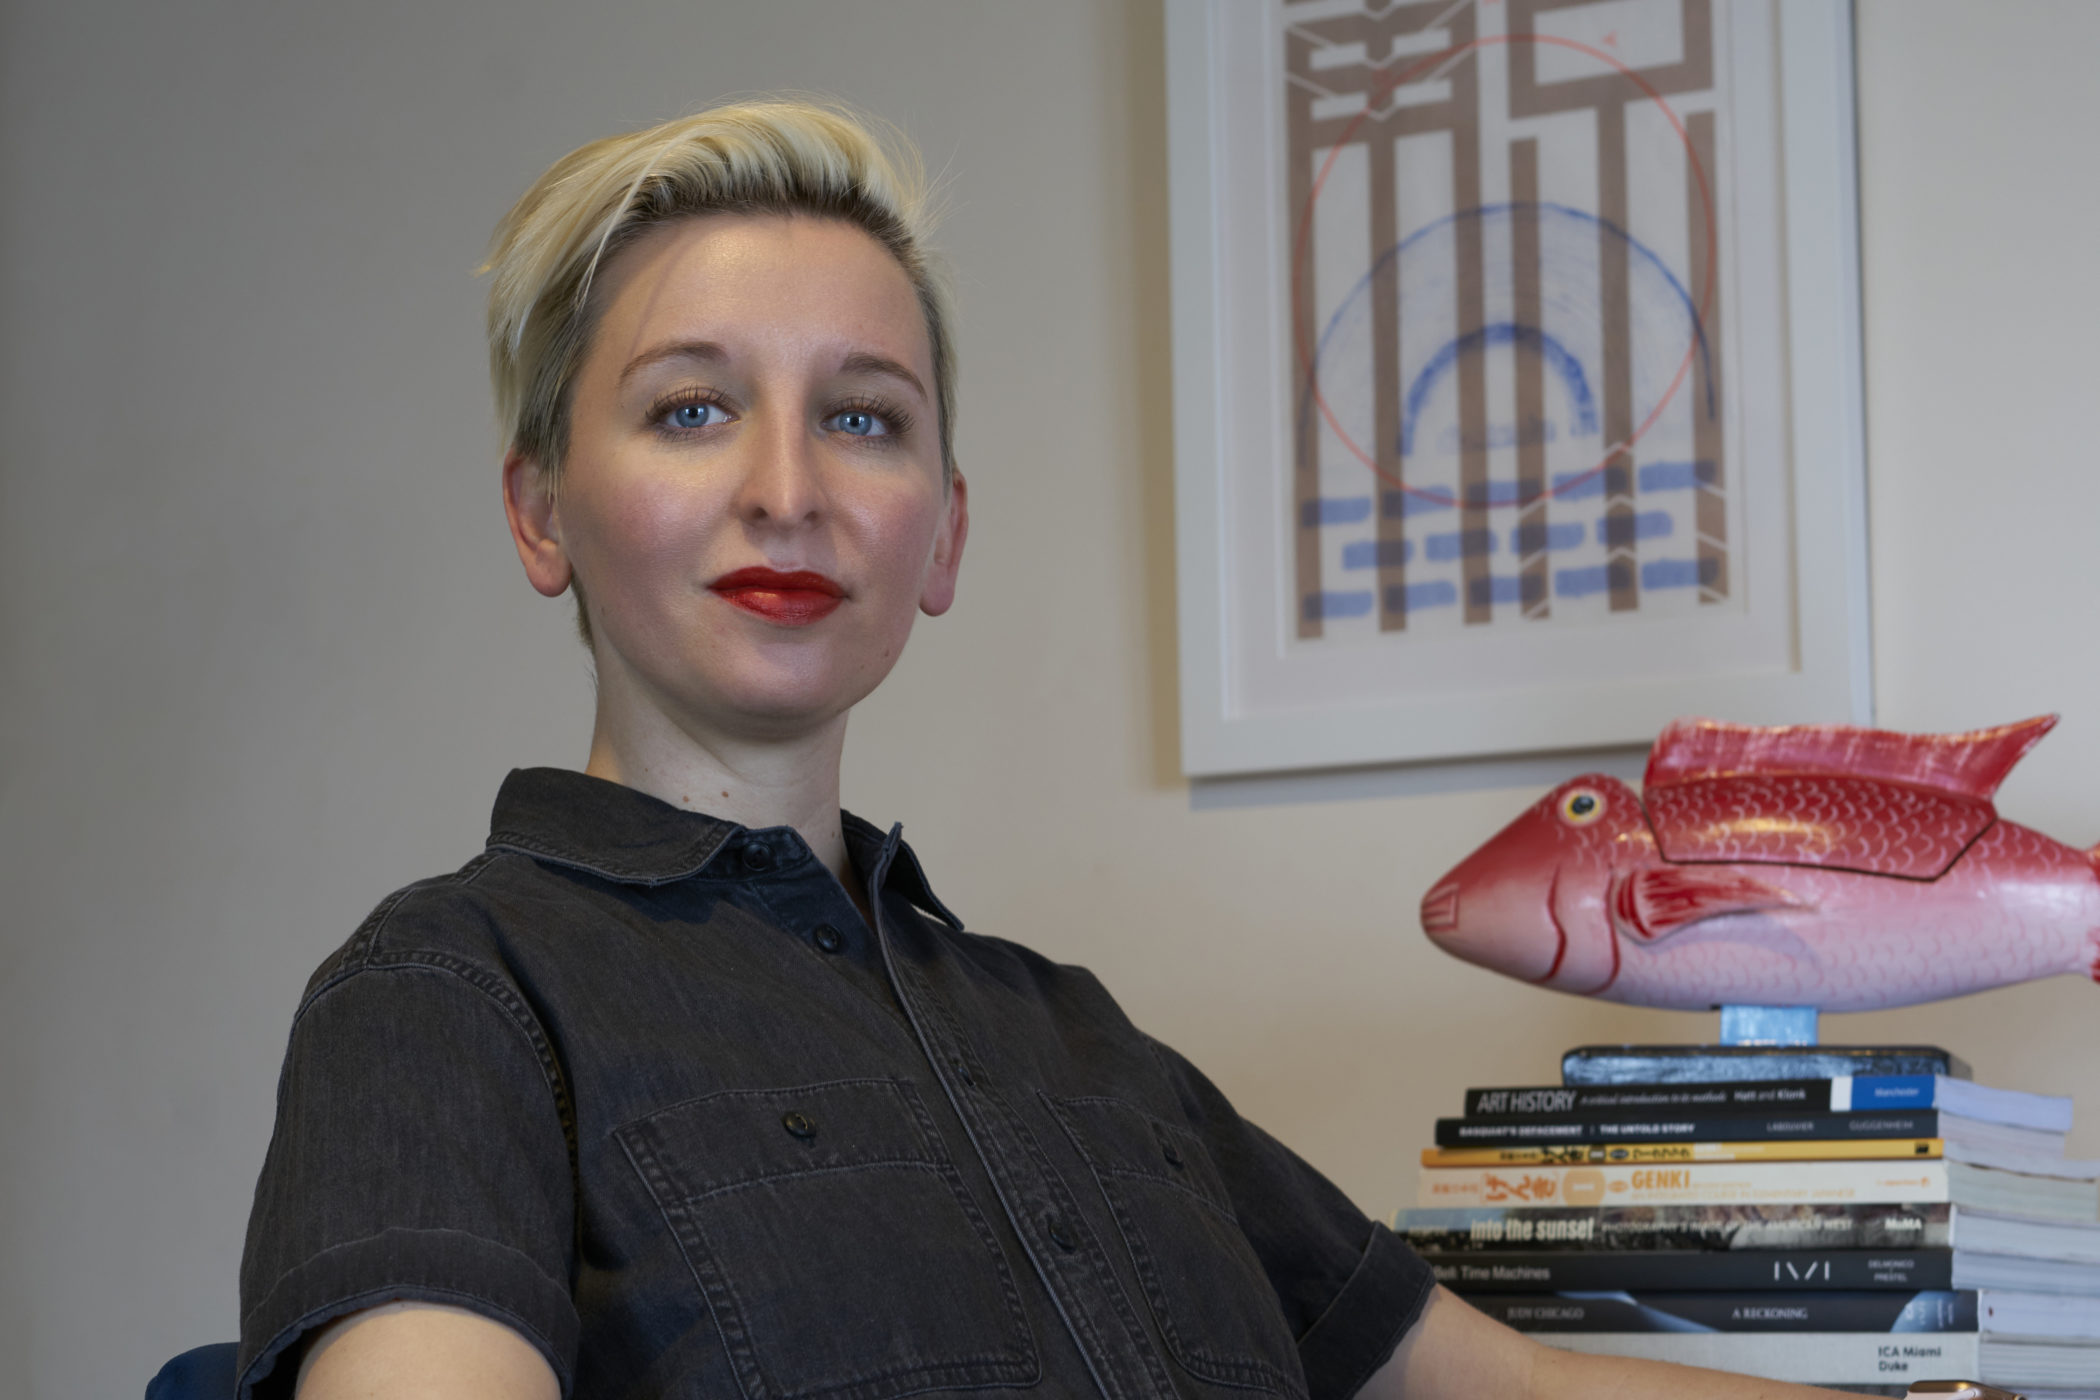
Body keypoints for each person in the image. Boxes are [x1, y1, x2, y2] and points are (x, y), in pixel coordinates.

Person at [237, 100, 1861, 1400]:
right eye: (689, 408)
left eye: (865, 417)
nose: (788, 487)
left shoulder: (1077, 1038)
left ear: (941, 538)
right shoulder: (448, 995)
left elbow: (1500, 1384)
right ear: (542, 515)